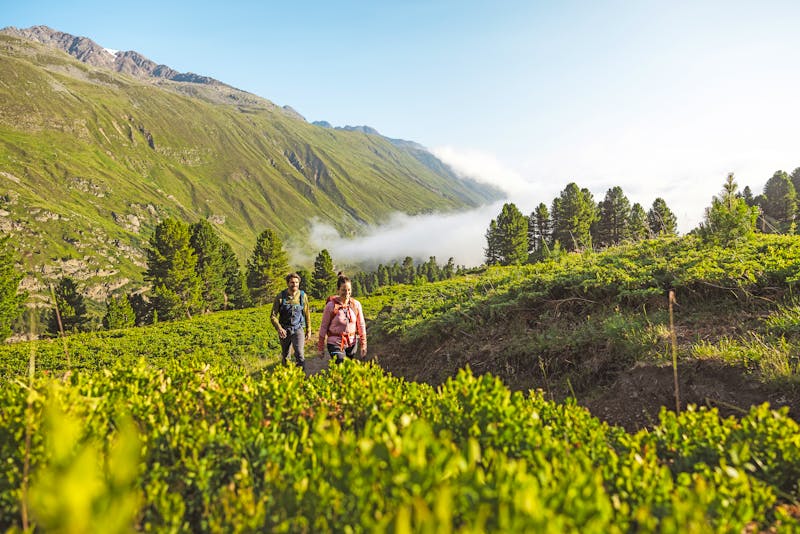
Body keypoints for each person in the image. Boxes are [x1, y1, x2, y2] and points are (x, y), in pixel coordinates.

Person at [318, 274, 367, 364]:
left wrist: (363, 345)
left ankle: (334, 377)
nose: (347, 293)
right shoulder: (330, 306)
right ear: (338, 290)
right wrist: (320, 347)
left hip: (352, 343)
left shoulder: (356, 304)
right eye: (343, 290)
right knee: (341, 363)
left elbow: (361, 325)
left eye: (349, 290)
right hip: (335, 343)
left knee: (347, 371)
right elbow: (324, 326)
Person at [270, 272, 312, 370]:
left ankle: (301, 378)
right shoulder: (280, 297)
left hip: (298, 329)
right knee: (286, 355)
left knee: (300, 354)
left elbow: (307, 313)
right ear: (288, 283)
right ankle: (287, 378)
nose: (295, 285)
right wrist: (279, 328)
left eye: (297, 282)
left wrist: (309, 329)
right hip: (284, 330)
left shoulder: (302, 296)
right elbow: (273, 316)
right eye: (292, 282)